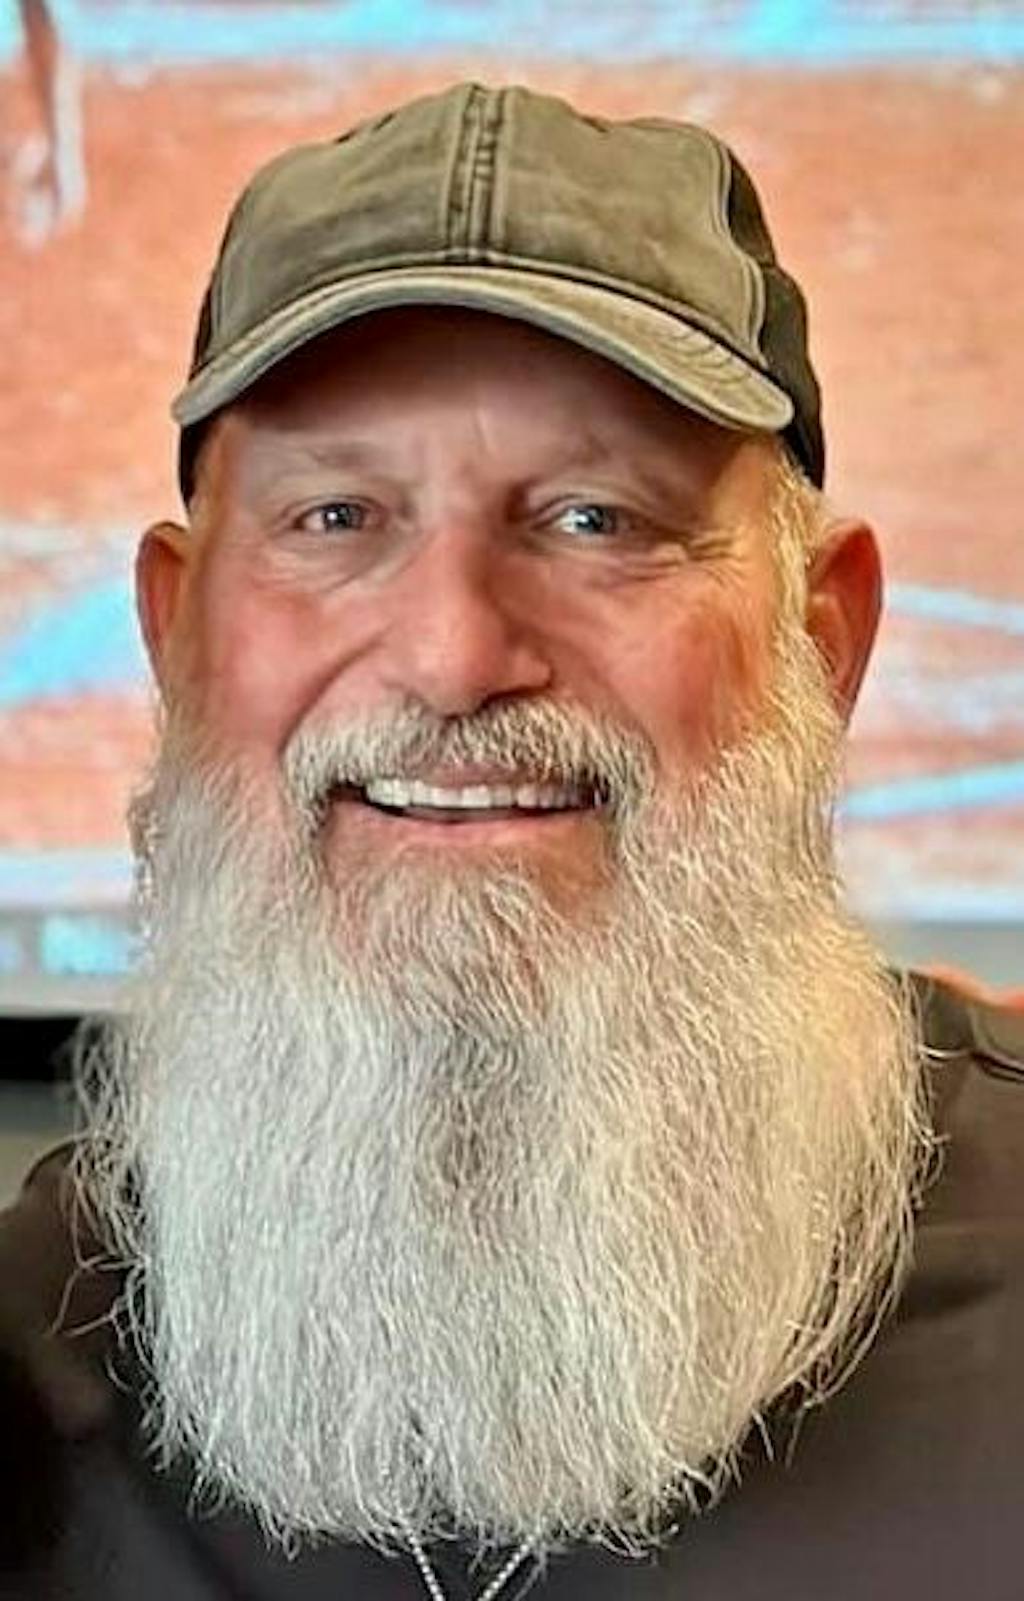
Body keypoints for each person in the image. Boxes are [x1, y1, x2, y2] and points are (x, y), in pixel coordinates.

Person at [2, 81, 1023, 1601]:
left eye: (598, 519)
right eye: (336, 518)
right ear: (177, 636)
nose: (454, 654)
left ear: (823, 638)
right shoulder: (28, 1376)